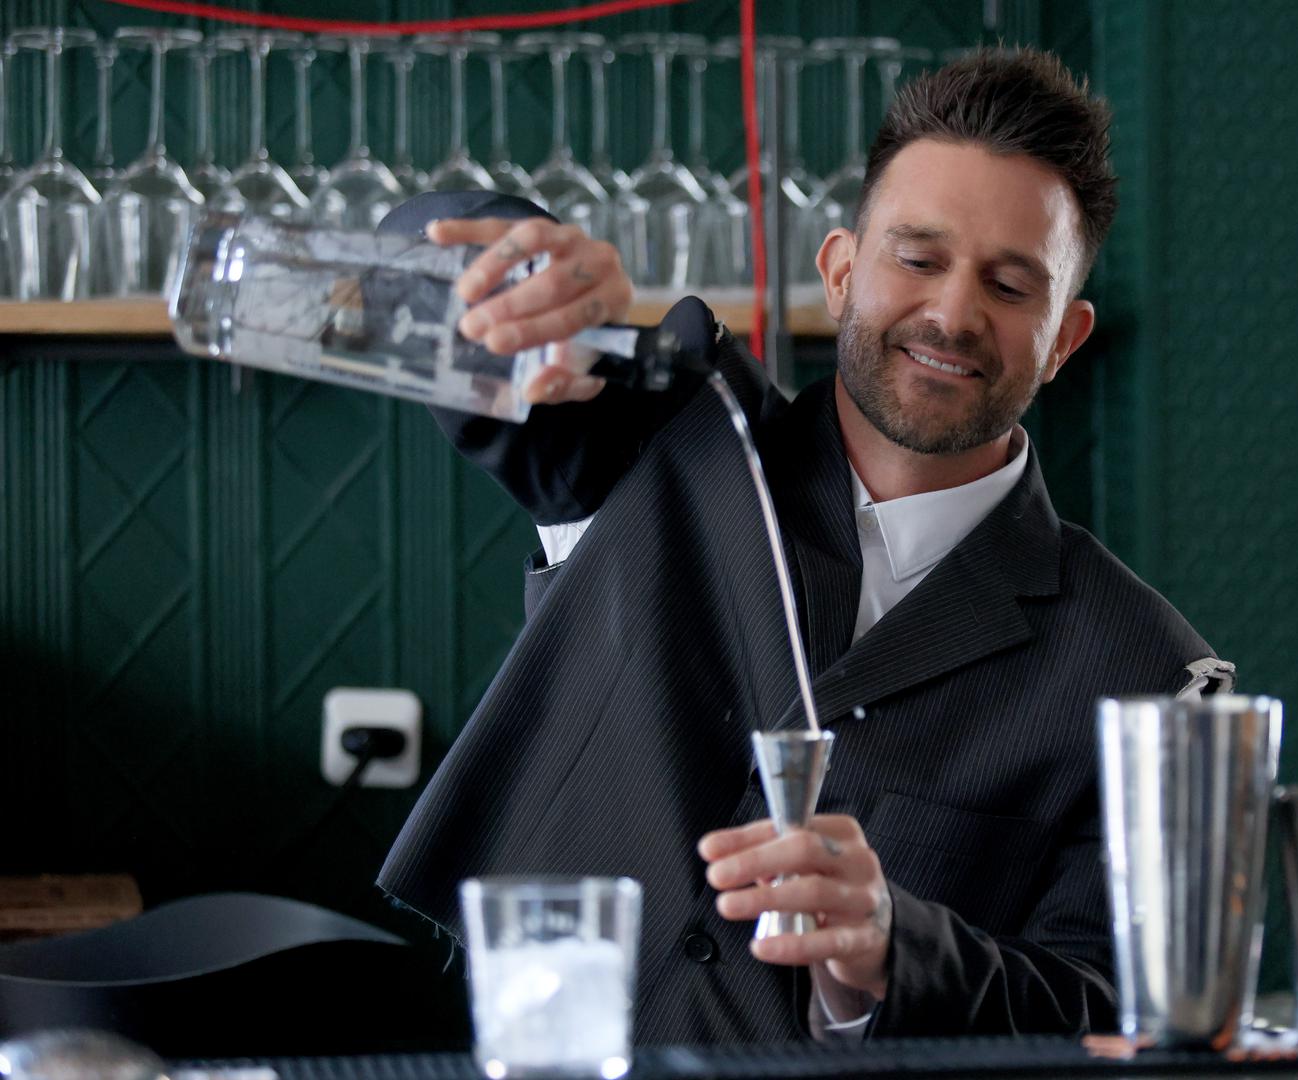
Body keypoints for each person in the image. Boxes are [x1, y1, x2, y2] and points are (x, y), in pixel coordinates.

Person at [379, 46, 1232, 1044]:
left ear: (1063, 340)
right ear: (838, 272)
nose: (952, 313)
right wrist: (519, 265)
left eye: (1009, 286)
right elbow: (405, 269)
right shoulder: (654, 440)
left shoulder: (1146, 676)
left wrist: (897, 951)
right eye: (917, 259)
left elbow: (1126, 1016)